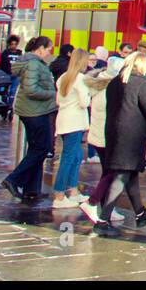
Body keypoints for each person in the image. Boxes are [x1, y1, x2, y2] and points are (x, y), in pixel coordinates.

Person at [91, 50, 146, 236]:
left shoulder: (115, 82)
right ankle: (102, 219)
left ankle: (140, 212)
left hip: (114, 131)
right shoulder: (141, 82)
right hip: (132, 134)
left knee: (129, 172)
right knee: (122, 175)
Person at [2, 36, 58, 203]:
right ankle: (13, 179)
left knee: (36, 149)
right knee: (42, 148)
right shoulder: (34, 64)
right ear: (40, 48)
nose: (49, 53)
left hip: (33, 110)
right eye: (49, 49)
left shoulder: (33, 63)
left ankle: (31, 189)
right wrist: (52, 95)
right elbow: (31, 90)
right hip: (35, 111)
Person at [79, 52, 126, 225]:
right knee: (112, 172)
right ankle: (93, 202)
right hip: (107, 135)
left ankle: (106, 207)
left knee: (109, 171)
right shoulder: (112, 86)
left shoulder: (98, 83)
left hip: (98, 134)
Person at [51, 47, 92, 208]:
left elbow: (58, 101)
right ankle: (59, 195)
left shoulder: (63, 78)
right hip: (75, 122)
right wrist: (89, 95)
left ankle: (73, 192)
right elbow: (84, 102)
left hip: (64, 120)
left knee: (75, 156)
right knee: (69, 158)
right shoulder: (80, 79)